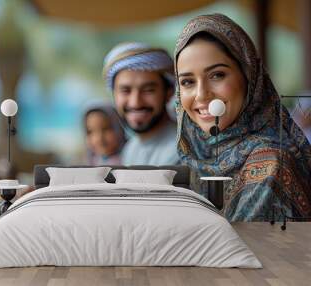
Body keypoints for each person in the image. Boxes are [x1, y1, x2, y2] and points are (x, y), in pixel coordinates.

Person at [174, 13, 311, 221]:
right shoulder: (193, 156)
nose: (201, 95)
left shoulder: (270, 163)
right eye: (187, 82)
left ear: (249, 76)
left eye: (217, 75)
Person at [103, 42, 180, 165]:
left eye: (148, 90)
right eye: (125, 91)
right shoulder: (130, 149)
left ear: (169, 92)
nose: (135, 102)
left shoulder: (183, 152)